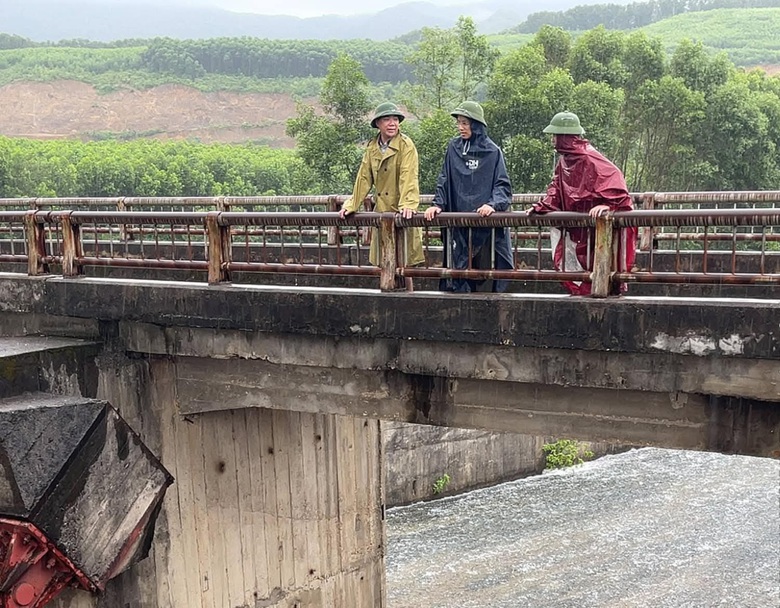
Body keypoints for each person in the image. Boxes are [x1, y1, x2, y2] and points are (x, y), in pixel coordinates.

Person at [527, 111, 637, 296]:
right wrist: (541, 207)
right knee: (581, 265)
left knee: (602, 264)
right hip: (583, 229)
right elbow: (556, 188)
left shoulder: (589, 157)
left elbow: (615, 180)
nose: (552, 140)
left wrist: (608, 205)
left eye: (555, 136)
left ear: (565, 137)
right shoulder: (565, 161)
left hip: (597, 228)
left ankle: (602, 294)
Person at [424, 101, 514, 293]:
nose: (460, 127)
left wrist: (493, 204)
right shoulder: (453, 148)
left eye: (465, 123)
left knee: (485, 272)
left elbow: (502, 185)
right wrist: (437, 204)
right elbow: (444, 179)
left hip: (484, 224)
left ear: (476, 124)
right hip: (458, 223)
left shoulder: (492, 151)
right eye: (458, 123)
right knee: (458, 271)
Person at [339, 102, 424, 270]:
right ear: (378, 123)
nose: (392, 123)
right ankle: (388, 295)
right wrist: (352, 204)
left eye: (395, 119)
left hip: (401, 211)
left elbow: (409, 176)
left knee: (405, 264)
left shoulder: (406, 145)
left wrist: (408, 203)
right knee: (385, 263)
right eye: (387, 119)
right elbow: (364, 178)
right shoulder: (372, 147)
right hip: (381, 210)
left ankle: (408, 295)